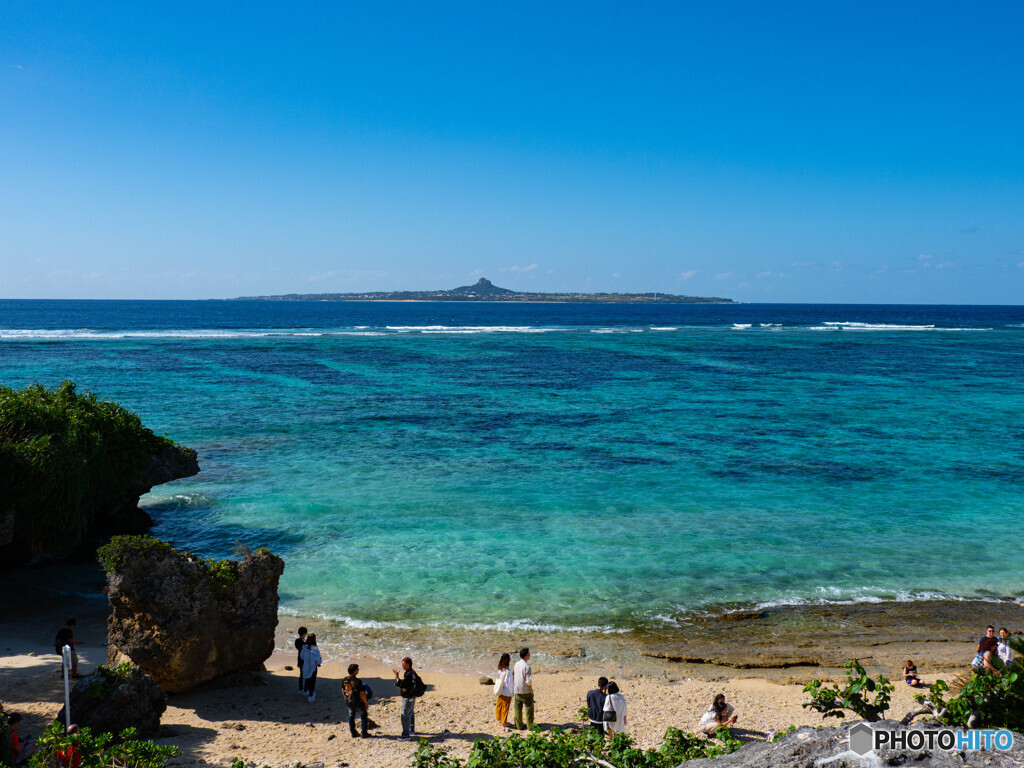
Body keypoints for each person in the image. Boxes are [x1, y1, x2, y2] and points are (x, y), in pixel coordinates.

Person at [342, 663, 369, 738]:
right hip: (358, 702)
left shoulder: (344, 680)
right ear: (354, 671)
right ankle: (364, 733)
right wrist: (365, 702)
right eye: (357, 669)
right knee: (363, 716)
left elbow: (343, 690)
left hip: (349, 701)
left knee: (351, 716)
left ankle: (353, 732)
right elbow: (362, 693)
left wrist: (346, 698)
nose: (358, 671)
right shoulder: (357, 681)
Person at [393, 656, 417, 740]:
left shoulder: (408, 674)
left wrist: (396, 677)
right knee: (410, 713)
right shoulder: (413, 672)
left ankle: (405, 734)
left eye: (403, 664)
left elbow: (402, 685)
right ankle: (411, 730)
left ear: (408, 664)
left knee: (405, 715)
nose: (402, 666)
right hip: (412, 696)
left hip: (408, 697)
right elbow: (408, 684)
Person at [512, 647, 534, 730]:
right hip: (525, 690)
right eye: (528, 654)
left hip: (517, 689)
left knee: (517, 708)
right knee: (529, 708)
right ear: (525, 656)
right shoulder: (527, 667)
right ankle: (530, 726)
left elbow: (514, 675)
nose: (529, 655)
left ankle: (519, 725)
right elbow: (528, 681)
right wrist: (531, 690)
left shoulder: (516, 664)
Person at [493, 653, 514, 729]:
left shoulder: (500, 668)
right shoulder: (508, 670)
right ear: (508, 660)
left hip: (501, 689)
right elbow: (510, 683)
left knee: (500, 705)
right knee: (505, 707)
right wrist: (512, 693)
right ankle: (503, 722)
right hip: (507, 691)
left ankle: (500, 719)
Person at [300, 634, 322, 702]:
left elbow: (302, 657)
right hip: (313, 667)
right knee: (312, 681)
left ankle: (306, 691)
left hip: (306, 666)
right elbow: (318, 660)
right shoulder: (315, 649)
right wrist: (318, 663)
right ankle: (311, 696)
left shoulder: (304, 648)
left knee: (307, 679)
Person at [295, 627, 308, 694]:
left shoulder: (297, 641)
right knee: (306, 675)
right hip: (304, 660)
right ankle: (305, 690)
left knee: (301, 675)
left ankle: (300, 689)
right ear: (304, 634)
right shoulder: (303, 642)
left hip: (300, 659)